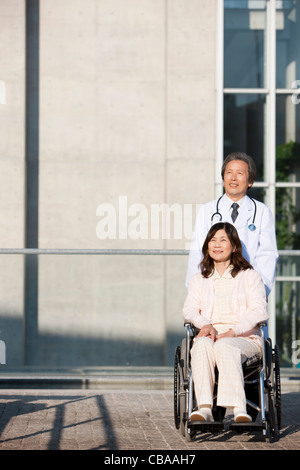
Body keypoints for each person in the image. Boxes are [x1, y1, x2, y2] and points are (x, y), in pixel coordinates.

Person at [182, 222, 269, 423]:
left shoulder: (250, 276)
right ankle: (204, 408)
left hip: (244, 338)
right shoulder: (199, 279)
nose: (217, 245)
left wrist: (233, 331)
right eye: (212, 240)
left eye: (223, 240)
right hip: (210, 335)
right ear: (207, 246)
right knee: (201, 344)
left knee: (224, 345)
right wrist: (205, 324)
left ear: (235, 246)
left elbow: (259, 311)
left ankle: (240, 410)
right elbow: (189, 310)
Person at [186, 152, 278, 296]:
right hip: (213, 291)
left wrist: (260, 291)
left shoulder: (262, 211)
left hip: (248, 291)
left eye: (239, 173)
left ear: (250, 181)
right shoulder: (207, 210)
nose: (233, 178)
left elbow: (267, 254)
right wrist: (194, 292)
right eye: (229, 173)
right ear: (223, 179)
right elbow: (197, 252)